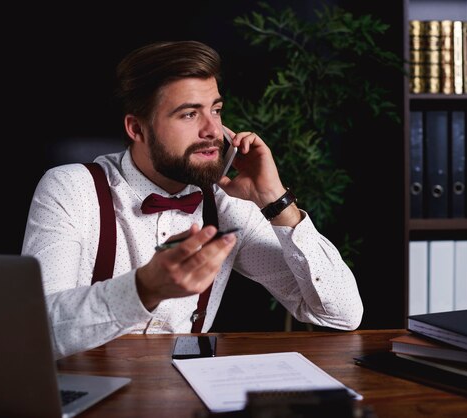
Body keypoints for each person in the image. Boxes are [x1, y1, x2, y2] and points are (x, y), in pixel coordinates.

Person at [22, 40, 363, 359]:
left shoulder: (226, 204)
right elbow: (36, 330)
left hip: (183, 394)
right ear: (137, 129)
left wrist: (273, 199)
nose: (213, 130)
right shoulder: (71, 189)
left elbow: (341, 314)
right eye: (189, 114)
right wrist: (143, 289)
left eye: (215, 110)